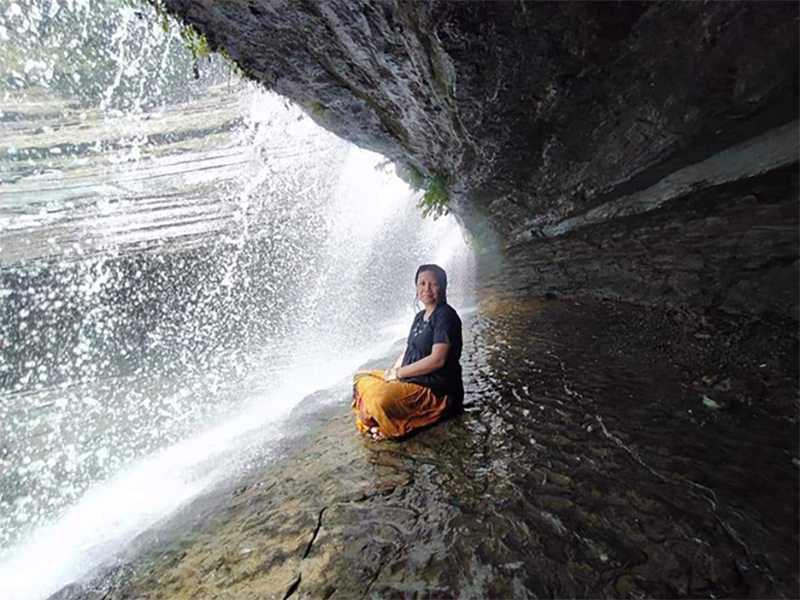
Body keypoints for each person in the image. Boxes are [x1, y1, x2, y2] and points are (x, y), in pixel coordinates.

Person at [352, 264, 463, 440]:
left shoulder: (446, 316)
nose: (427, 289)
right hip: (410, 379)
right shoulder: (419, 317)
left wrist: (398, 373)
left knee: (377, 400)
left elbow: (437, 360)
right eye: (422, 284)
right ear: (416, 288)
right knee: (361, 378)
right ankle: (382, 420)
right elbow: (410, 349)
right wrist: (393, 374)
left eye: (433, 284)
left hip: (434, 390)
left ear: (443, 286)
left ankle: (392, 427)